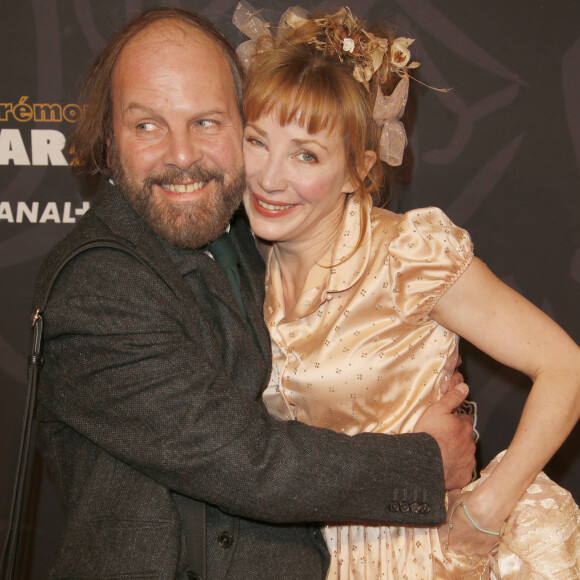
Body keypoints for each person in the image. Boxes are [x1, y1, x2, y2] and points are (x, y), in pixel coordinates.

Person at [32, 7, 477, 579]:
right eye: (146, 125)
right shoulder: (97, 286)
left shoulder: (249, 236)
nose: (182, 155)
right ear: (108, 140)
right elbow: (245, 460)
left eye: (208, 122)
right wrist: (425, 462)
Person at [236, 5, 580, 579]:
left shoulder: (406, 255)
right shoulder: (233, 268)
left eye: (306, 154)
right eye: (256, 141)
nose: (270, 177)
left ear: (357, 169)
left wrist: (489, 508)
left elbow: (565, 365)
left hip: (424, 558)